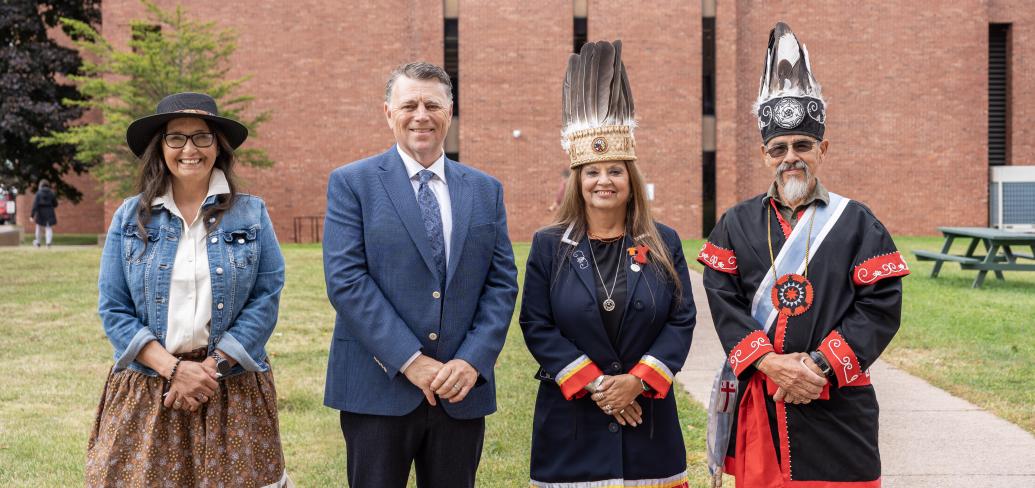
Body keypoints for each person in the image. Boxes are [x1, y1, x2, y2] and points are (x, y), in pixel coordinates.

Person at [698, 23, 909, 487]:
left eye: (802, 146)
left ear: (823, 149)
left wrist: (818, 366)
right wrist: (770, 363)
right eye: (779, 148)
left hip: (836, 398)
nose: (790, 156)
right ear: (764, 155)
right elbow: (723, 300)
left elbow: (880, 308)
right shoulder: (735, 223)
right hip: (764, 398)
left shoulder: (858, 222)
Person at [322, 61, 518, 488]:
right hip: (378, 390)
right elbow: (346, 280)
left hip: (460, 391)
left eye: (433, 104)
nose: (421, 115)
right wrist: (410, 361)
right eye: (408, 104)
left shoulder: (486, 190)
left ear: (450, 110)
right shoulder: (352, 184)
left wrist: (472, 360)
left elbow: (501, 283)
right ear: (388, 113)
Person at [86, 92, 291, 487]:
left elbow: (265, 299)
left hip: (230, 385)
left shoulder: (251, 213)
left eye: (202, 137)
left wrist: (208, 370)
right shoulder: (129, 217)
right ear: (160, 147)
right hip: (150, 386)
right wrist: (174, 370)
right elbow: (114, 308)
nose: (189, 149)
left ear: (218, 146)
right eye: (175, 138)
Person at [519, 40, 696, 488]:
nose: (604, 181)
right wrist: (599, 385)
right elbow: (536, 324)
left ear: (630, 180)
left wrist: (638, 381)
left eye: (615, 170)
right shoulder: (548, 246)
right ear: (578, 182)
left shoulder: (664, 242)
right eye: (593, 172)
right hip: (571, 424)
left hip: (648, 424)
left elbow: (682, 319)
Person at [30, 179, 58, 247]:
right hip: (50, 212)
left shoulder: (38, 193)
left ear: (40, 185)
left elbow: (35, 205)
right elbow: (56, 204)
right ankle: (48, 243)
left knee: (38, 228)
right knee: (48, 228)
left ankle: (38, 243)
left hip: (40, 213)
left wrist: (32, 215)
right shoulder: (52, 193)